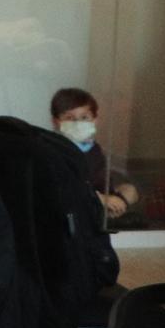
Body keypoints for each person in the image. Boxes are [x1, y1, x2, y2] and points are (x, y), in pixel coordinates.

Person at [51, 87, 141, 227]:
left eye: (84, 117)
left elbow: (102, 179)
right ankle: (108, 214)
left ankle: (112, 213)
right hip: (80, 200)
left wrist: (113, 197)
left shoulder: (94, 148)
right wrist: (101, 198)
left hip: (103, 196)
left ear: (94, 120)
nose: (78, 123)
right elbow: (65, 187)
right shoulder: (56, 150)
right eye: (69, 118)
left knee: (130, 190)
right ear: (56, 122)